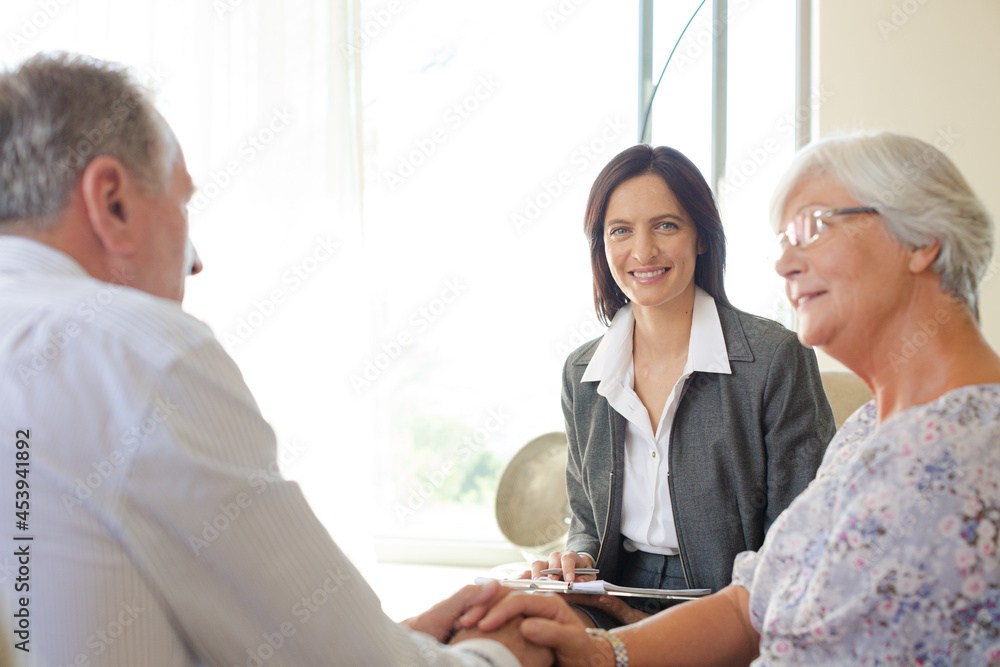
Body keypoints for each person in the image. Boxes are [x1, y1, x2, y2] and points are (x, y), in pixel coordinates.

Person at [0, 53, 551, 667]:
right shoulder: (132, 349)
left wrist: (394, 635)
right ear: (113, 203)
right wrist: (498, 652)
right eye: (182, 205)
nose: (196, 258)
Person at [477, 130, 1000, 665]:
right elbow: (755, 601)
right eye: (784, 239)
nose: (784, 263)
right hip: (631, 602)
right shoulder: (867, 433)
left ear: (921, 241)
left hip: (710, 603)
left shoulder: (966, 448)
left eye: (814, 227)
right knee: (496, 631)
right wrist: (601, 645)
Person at [529, 145, 835, 627]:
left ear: (701, 238)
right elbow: (587, 522)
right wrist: (579, 560)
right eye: (621, 231)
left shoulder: (775, 357)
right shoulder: (581, 372)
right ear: (602, 246)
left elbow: (800, 531)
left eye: (666, 225)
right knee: (506, 631)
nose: (643, 251)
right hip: (610, 592)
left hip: (728, 603)